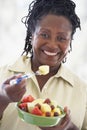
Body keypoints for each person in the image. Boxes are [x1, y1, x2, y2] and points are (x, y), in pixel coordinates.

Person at [0, 0, 87, 130]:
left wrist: (68, 127)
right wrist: (3, 99)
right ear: (32, 34)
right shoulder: (3, 75)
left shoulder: (83, 91)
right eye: (44, 34)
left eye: (61, 38)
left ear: (70, 42)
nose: (52, 45)